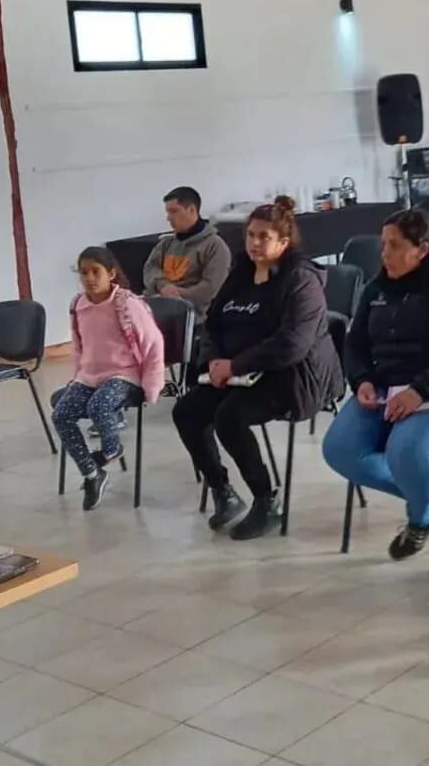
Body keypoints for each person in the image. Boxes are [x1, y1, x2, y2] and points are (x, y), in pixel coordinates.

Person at [323, 210, 429, 560]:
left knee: (407, 451)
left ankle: (421, 519)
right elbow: (355, 342)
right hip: (389, 383)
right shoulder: (379, 285)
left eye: (395, 245)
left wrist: (421, 390)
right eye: (383, 244)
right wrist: (362, 380)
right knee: (339, 450)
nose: (384, 253)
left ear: (423, 249)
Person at [172, 198, 342, 539]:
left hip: (294, 377)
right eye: (250, 235)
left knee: (229, 417)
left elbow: (292, 344)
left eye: (264, 236)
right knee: (186, 411)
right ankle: (224, 491)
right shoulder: (241, 273)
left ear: (283, 241)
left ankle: (266, 501)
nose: (254, 243)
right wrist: (216, 362)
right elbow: (214, 324)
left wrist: (235, 364)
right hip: (240, 373)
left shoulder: (301, 280)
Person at [51, 248, 166, 510]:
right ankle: (93, 474)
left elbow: (154, 343)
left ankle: (111, 450)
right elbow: (79, 345)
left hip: (124, 374)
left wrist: (152, 386)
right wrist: (77, 376)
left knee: (98, 406)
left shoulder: (126, 303)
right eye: (84, 273)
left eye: (96, 272)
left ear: (111, 274)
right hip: (90, 375)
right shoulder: (77, 305)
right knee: (61, 414)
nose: (90, 278)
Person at [142, 186, 232, 326]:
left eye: (174, 211)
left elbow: (211, 289)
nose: (168, 218)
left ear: (192, 210)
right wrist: (163, 285)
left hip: (191, 318)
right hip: (155, 307)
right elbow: (150, 268)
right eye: (167, 212)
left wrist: (177, 294)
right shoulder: (167, 243)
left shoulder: (215, 247)